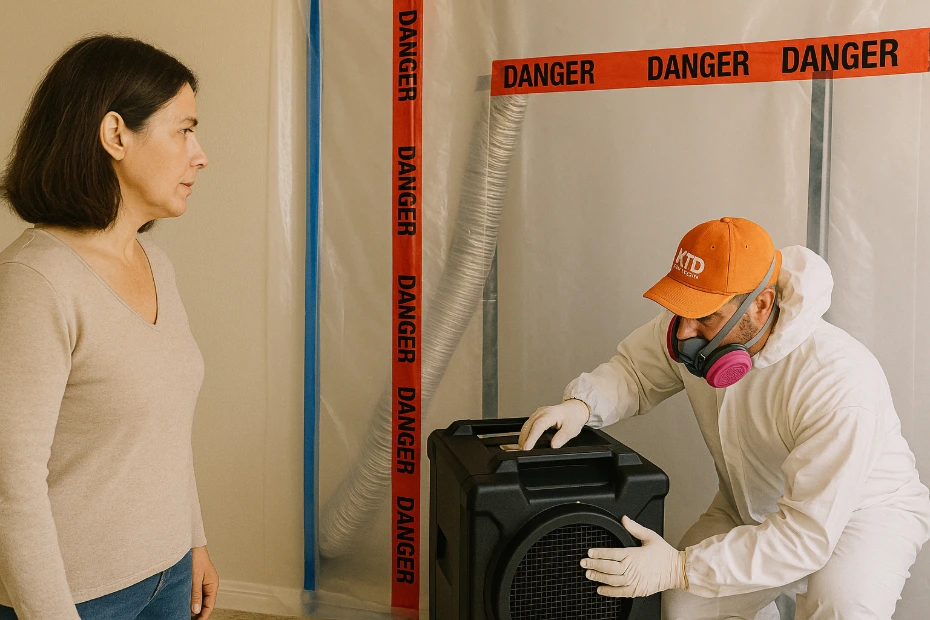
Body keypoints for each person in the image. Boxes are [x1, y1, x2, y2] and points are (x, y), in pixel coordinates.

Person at [519, 217, 930, 619]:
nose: (683, 333)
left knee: (842, 609)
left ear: (761, 305)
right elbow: (636, 373)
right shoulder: (690, 327)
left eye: (705, 316)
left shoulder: (834, 380)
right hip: (749, 505)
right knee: (683, 608)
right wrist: (582, 405)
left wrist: (680, 567)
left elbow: (805, 537)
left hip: (861, 517)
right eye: (681, 309)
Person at [0, 35, 217, 620]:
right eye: (184, 130)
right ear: (116, 134)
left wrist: (193, 540)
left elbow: (165, 427)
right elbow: (10, 481)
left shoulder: (156, 264)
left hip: (169, 572)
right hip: (77, 596)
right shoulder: (35, 280)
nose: (199, 155)